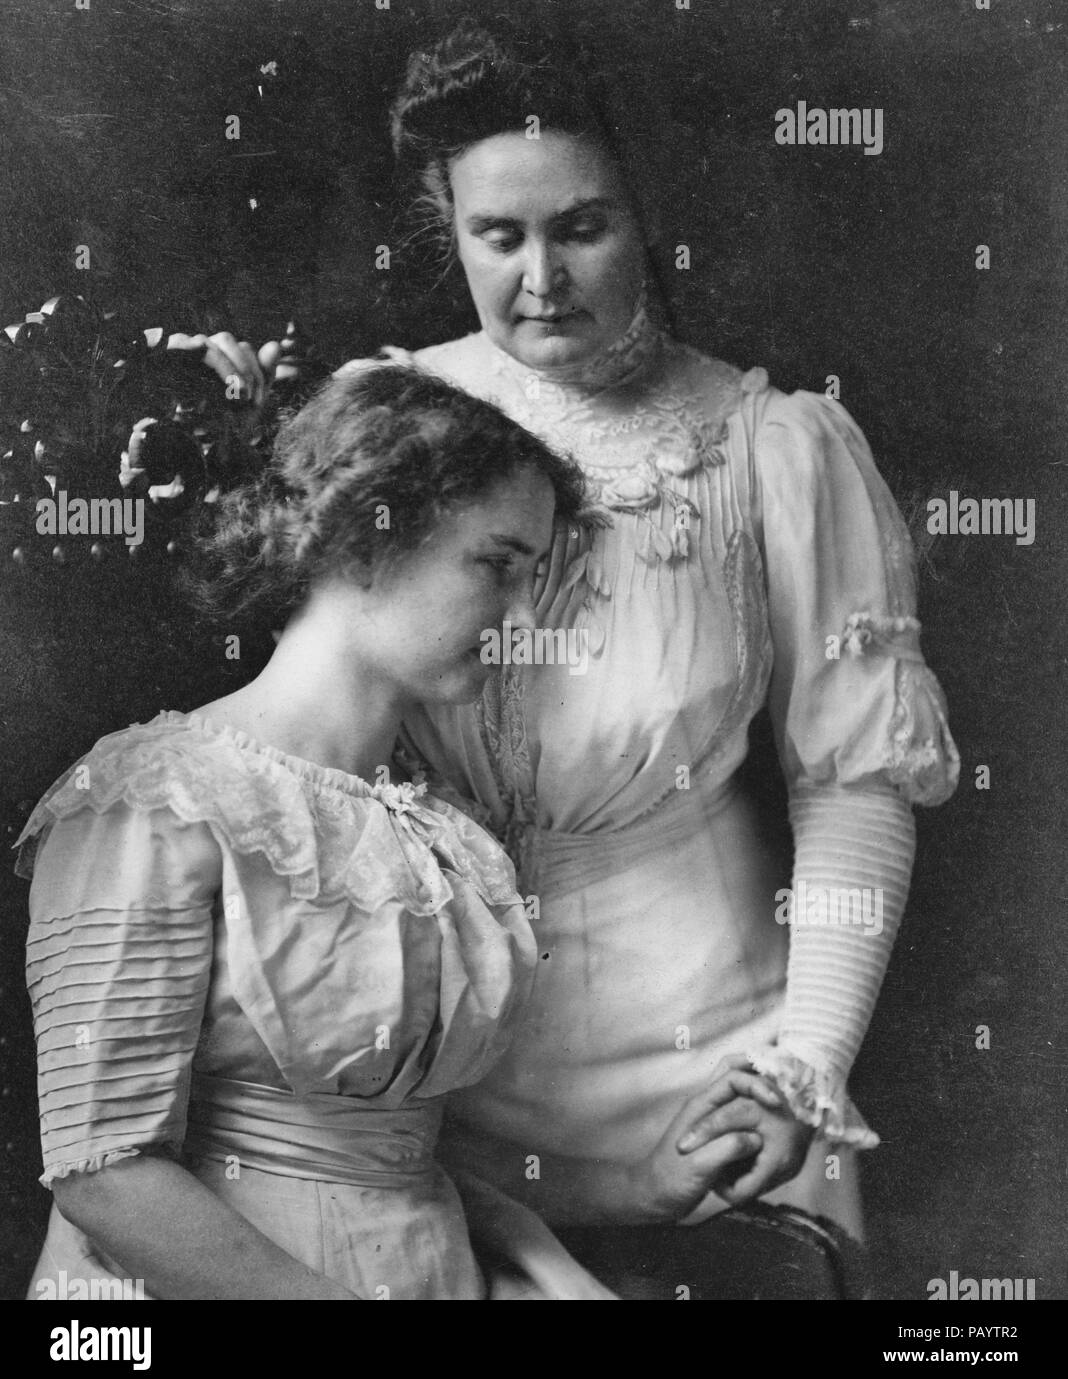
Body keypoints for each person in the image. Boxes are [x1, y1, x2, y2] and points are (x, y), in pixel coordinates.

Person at [180, 21, 961, 1275]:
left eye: (581, 226)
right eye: (499, 237)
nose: (541, 277)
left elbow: (853, 785)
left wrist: (803, 1064)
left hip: (717, 1079)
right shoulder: (379, 418)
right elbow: (300, 754)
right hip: (425, 1080)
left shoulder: (777, 448)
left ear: (648, 215)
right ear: (450, 228)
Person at [18, 364, 773, 1300]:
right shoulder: (150, 798)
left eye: (534, 576)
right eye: (498, 566)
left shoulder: (438, 831)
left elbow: (391, 1159)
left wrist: (639, 1186)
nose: (524, 617)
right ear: (364, 541)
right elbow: (105, 1176)